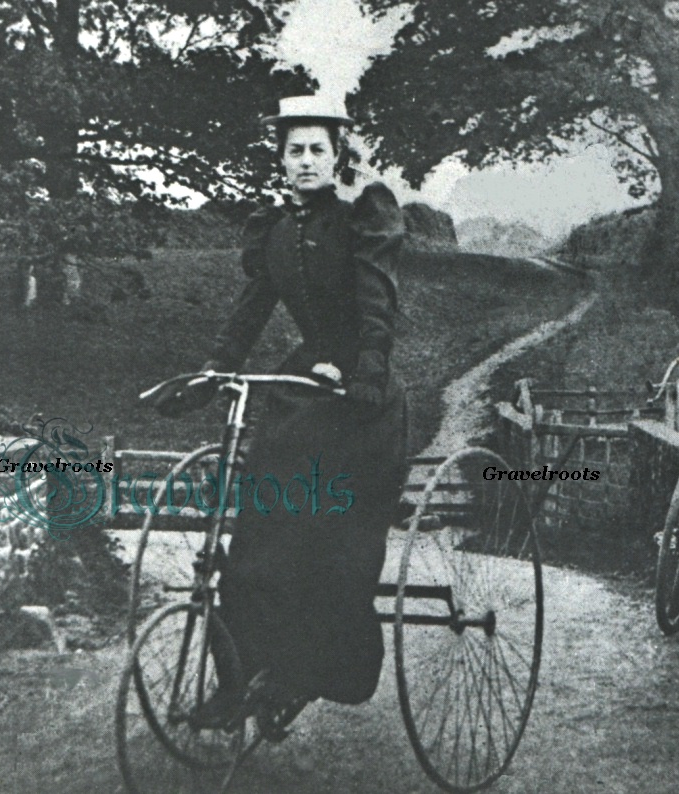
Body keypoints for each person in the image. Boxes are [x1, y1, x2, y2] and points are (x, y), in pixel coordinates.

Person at [151, 95, 408, 725]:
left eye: (318, 149)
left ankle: (311, 673)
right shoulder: (274, 228)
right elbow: (253, 305)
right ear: (281, 159)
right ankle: (241, 682)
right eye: (295, 150)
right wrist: (215, 368)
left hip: (362, 399)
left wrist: (364, 369)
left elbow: (377, 302)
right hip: (302, 388)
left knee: (330, 538)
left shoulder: (361, 217)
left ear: (338, 156)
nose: (306, 160)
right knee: (256, 540)